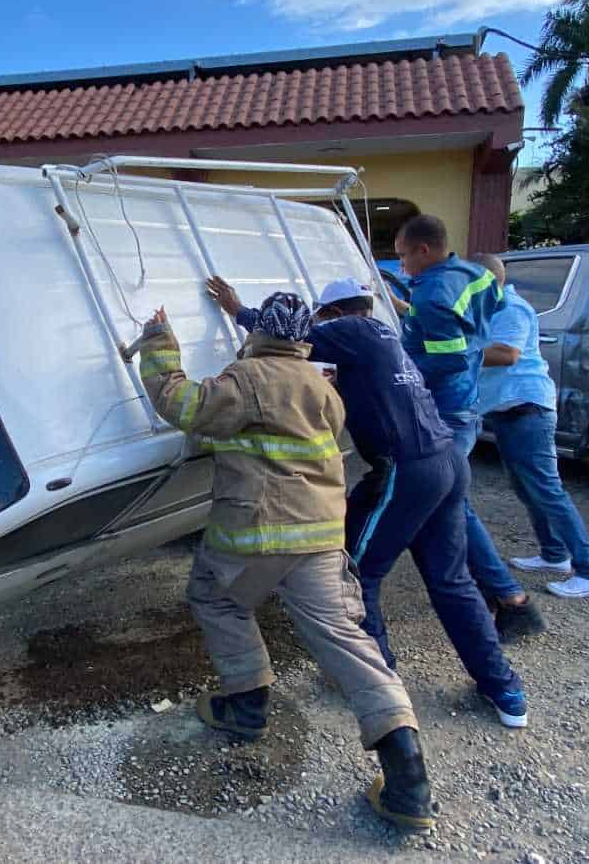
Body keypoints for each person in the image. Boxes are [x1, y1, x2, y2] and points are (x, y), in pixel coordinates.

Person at [132, 293, 435, 830]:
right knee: (345, 639)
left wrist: (159, 346)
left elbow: (185, 407)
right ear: (302, 336)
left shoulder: (249, 377)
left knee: (216, 598)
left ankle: (246, 705)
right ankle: (407, 776)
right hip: (319, 536)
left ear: (261, 332)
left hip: (255, 531)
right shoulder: (323, 386)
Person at [208, 274, 529, 728]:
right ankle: (505, 691)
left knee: (356, 574)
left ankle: (380, 684)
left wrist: (237, 309)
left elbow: (285, 330)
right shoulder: (384, 335)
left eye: (322, 317)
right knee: (452, 580)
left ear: (335, 313)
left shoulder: (350, 331)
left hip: (405, 468)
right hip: (446, 461)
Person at [394, 215, 546, 641]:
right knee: (449, 503)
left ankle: (511, 601)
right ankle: (502, 596)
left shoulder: (433, 290)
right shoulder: (471, 274)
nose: (401, 265)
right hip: (465, 402)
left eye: (404, 255)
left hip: (446, 408)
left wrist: (400, 369)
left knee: (452, 504)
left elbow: (447, 358)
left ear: (424, 250)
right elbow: (470, 328)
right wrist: (412, 316)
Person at [472, 254, 589, 599]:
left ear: (485, 280)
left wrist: (455, 351)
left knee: (548, 491)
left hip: (527, 410)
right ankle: (554, 554)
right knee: (526, 488)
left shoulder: (511, 308)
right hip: (507, 411)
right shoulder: (487, 309)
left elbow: (507, 354)